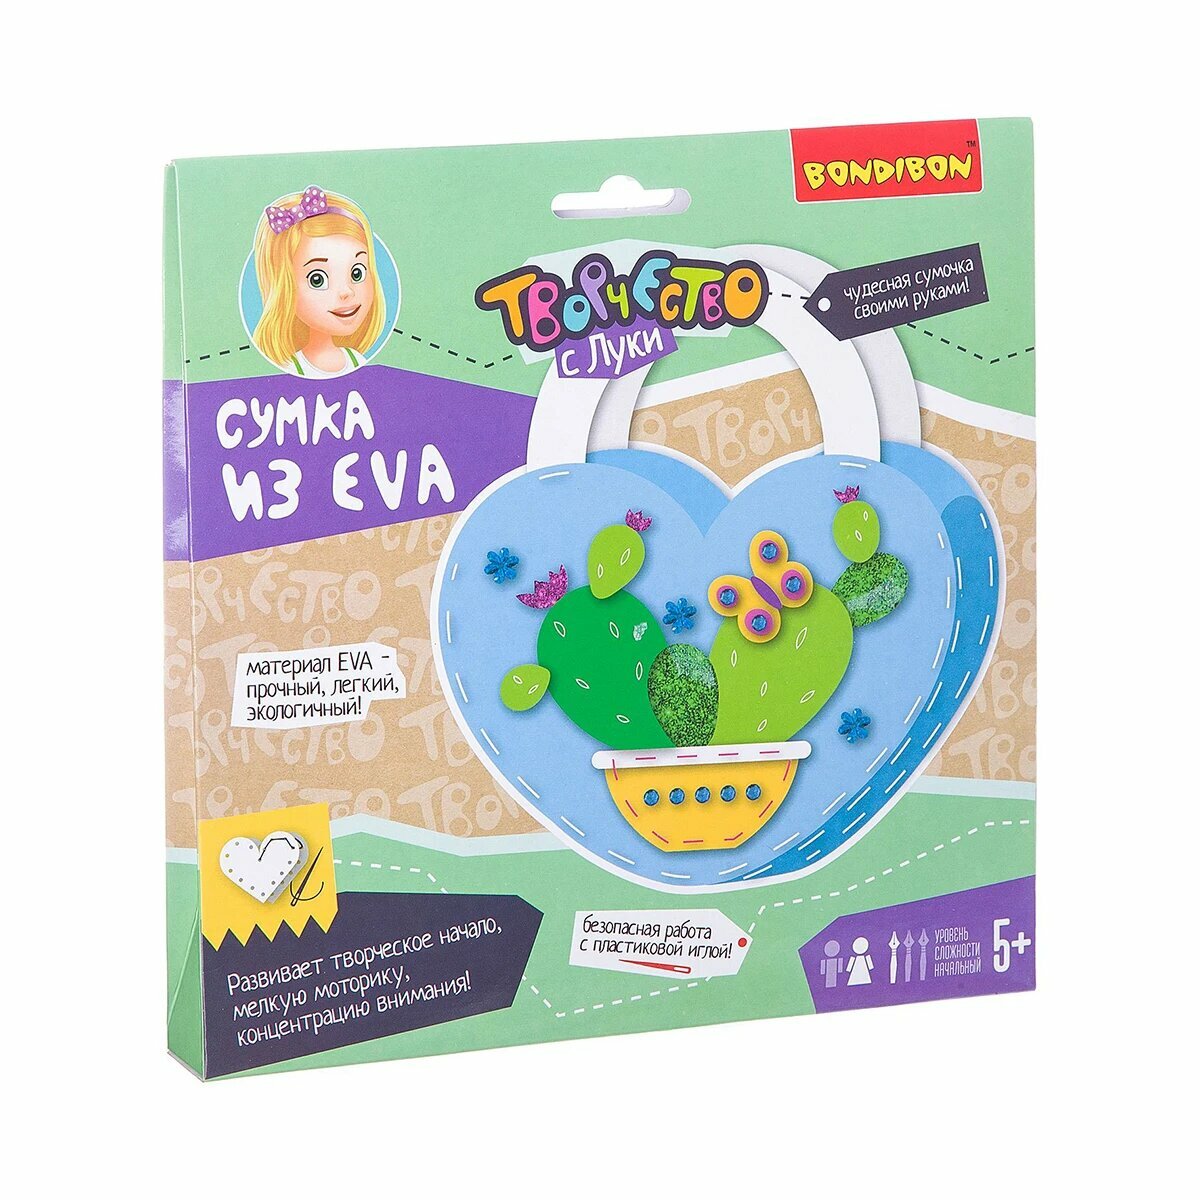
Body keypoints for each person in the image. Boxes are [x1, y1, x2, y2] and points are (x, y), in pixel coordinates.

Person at [251, 186, 386, 378]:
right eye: (317, 279)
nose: (346, 291)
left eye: (357, 273)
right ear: (284, 288)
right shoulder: (289, 369)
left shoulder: (356, 360)